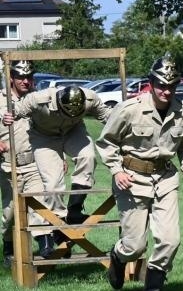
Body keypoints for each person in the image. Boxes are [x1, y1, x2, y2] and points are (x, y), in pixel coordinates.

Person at [98, 55, 183, 291]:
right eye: (161, 85)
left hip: (164, 178)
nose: (166, 91)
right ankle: (119, 257)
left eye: (171, 86)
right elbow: (107, 142)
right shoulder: (129, 109)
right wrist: (116, 170)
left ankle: (153, 290)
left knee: (170, 239)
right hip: (131, 179)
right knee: (135, 246)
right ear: (150, 83)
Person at [3, 79, 109, 251]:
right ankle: (58, 225)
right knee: (52, 184)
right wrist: (8, 116)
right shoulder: (38, 99)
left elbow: (107, 116)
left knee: (88, 157)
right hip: (43, 137)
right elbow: (15, 111)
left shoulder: (90, 98)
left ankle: (75, 209)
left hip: (73, 131)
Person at [1, 59, 52, 259]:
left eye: (28, 77)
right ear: (11, 78)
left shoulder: (37, 99)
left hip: (35, 163)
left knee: (38, 203)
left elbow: (51, 129)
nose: (25, 81)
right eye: (20, 77)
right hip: (8, 164)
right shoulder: (0, 99)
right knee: (11, 212)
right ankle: (8, 246)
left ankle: (45, 244)